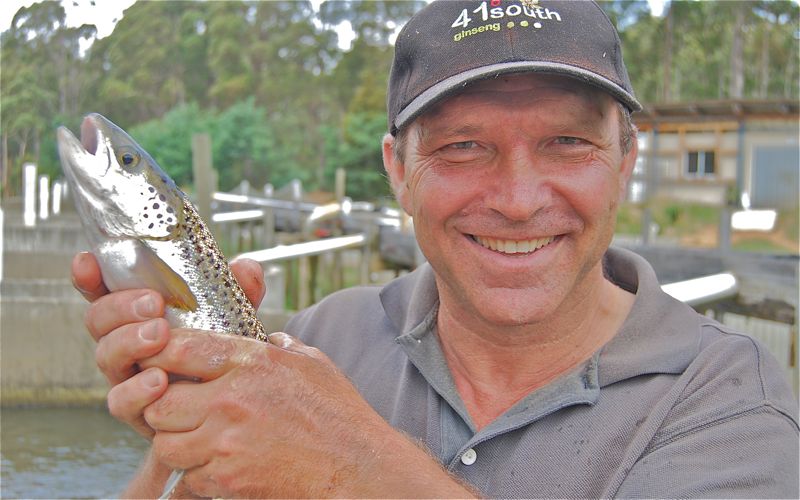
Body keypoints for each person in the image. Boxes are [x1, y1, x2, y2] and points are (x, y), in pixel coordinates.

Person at [71, 1, 799, 497]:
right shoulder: (324, 338)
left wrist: (349, 465)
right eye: (462, 147)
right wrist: (185, 434)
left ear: (625, 161)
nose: (518, 200)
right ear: (398, 171)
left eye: (567, 141)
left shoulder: (732, 406)